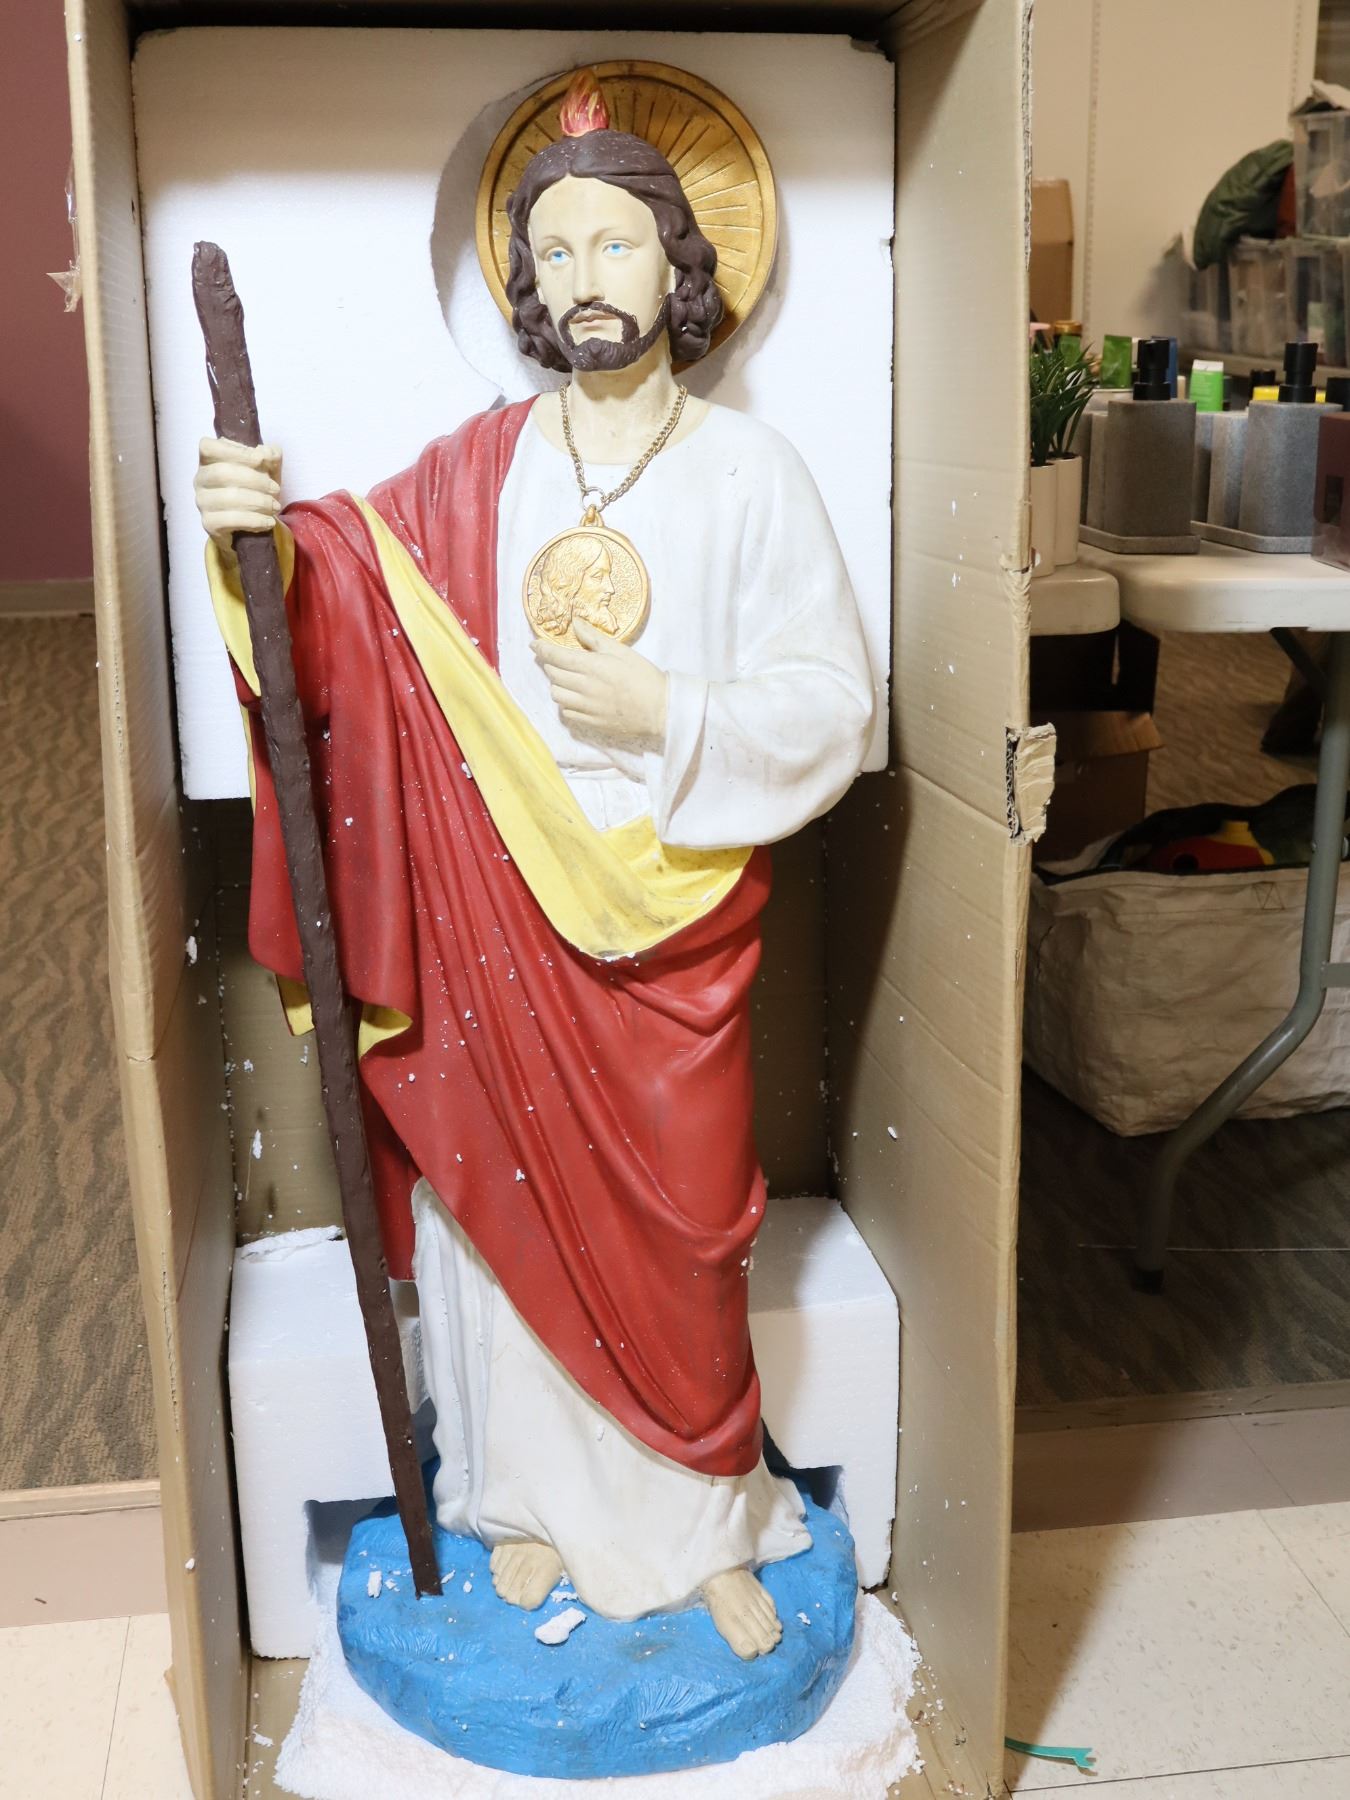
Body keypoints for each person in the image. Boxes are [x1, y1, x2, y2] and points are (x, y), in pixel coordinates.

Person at [195, 70, 873, 1661]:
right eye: (552, 251)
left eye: (612, 243)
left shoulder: (749, 476)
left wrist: (671, 712)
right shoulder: (475, 468)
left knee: (686, 1232)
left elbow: (831, 707)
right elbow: (349, 606)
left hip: (672, 917)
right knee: (496, 1217)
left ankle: (700, 1520)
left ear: (679, 264)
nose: (581, 278)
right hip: (491, 908)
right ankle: (531, 1510)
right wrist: (259, 542)